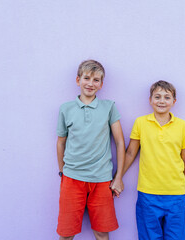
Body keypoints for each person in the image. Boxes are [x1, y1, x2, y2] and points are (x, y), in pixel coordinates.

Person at [56, 60, 125, 240]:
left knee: (102, 232)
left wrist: (118, 178)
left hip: (101, 179)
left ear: (101, 84)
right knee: (66, 233)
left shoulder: (109, 107)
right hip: (72, 179)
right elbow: (60, 142)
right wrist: (63, 171)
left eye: (96, 80)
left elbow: (119, 142)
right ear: (78, 80)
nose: (90, 83)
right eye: (86, 78)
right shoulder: (66, 109)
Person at [122, 80, 185, 240]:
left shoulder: (183, 126)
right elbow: (130, 153)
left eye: (167, 97)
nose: (162, 101)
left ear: (174, 102)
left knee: (176, 237)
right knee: (149, 236)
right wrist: (118, 177)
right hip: (148, 193)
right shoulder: (141, 123)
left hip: (175, 193)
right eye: (157, 96)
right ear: (150, 100)